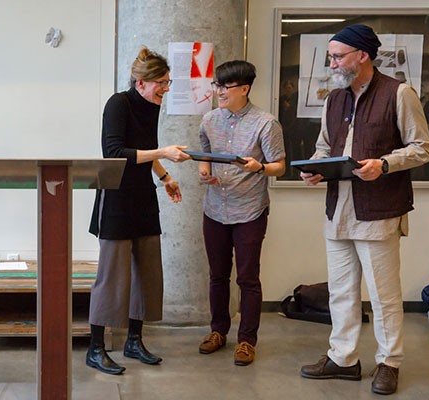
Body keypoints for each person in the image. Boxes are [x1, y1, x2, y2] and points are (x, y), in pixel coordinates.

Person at [298, 24, 429, 395]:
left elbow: (423, 147)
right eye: (330, 56)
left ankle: (389, 362)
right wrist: (314, 168)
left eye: (337, 55)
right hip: (337, 210)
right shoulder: (333, 99)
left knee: (383, 293)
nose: (332, 62)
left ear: (363, 56)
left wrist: (384, 164)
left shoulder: (399, 93)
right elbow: (325, 148)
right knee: (340, 291)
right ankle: (343, 359)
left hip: (380, 212)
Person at [86, 47, 190, 375]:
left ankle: (134, 340)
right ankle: (96, 348)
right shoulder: (118, 103)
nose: (165, 88)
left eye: (168, 82)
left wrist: (165, 176)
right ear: (140, 81)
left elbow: (143, 150)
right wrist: (165, 153)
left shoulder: (150, 105)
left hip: (143, 195)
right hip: (115, 197)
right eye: (160, 82)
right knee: (112, 278)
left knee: (146, 273)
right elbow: (114, 151)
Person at [196, 60, 285, 366]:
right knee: (218, 275)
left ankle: (247, 340)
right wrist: (205, 169)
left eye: (225, 86)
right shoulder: (209, 119)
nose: (219, 91)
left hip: (249, 210)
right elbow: (204, 149)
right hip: (215, 208)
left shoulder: (266, 123)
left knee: (247, 278)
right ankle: (218, 331)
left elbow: (280, 166)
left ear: (244, 89)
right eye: (216, 85)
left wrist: (259, 167)